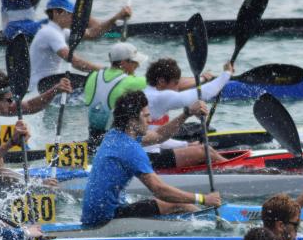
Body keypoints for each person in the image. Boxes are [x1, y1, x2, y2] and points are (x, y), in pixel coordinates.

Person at [80, 90, 221, 227]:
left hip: (92, 214)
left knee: (159, 203)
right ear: (131, 120)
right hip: (106, 219)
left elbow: (159, 135)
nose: (150, 120)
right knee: (179, 203)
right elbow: (160, 190)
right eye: (146, 116)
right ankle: (212, 223)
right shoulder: (131, 149)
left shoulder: (114, 135)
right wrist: (203, 199)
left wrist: (186, 113)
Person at [0, 70, 72, 181]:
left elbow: (29, 106)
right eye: (9, 100)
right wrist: (39, 183)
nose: (11, 103)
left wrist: (55, 90)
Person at [30, 0, 132, 93]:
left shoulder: (60, 31)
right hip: (40, 87)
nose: (75, 18)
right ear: (57, 12)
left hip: (51, 82)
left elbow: (92, 34)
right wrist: (110, 71)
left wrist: (115, 18)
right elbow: (77, 63)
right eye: (71, 14)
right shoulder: (50, 33)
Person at [141, 57, 231, 169]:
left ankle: (230, 166)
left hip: (147, 155)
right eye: (175, 83)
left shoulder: (148, 94)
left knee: (204, 149)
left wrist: (185, 145)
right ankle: (239, 169)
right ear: (161, 81)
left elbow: (156, 139)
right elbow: (205, 93)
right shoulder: (158, 97)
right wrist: (227, 73)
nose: (177, 88)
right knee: (205, 151)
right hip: (148, 160)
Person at [84, 42, 149, 151]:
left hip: (93, 136)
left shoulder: (93, 75)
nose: (137, 66)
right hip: (115, 140)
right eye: (135, 62)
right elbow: (162, 85)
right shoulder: (129, 81)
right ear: (123, 63)